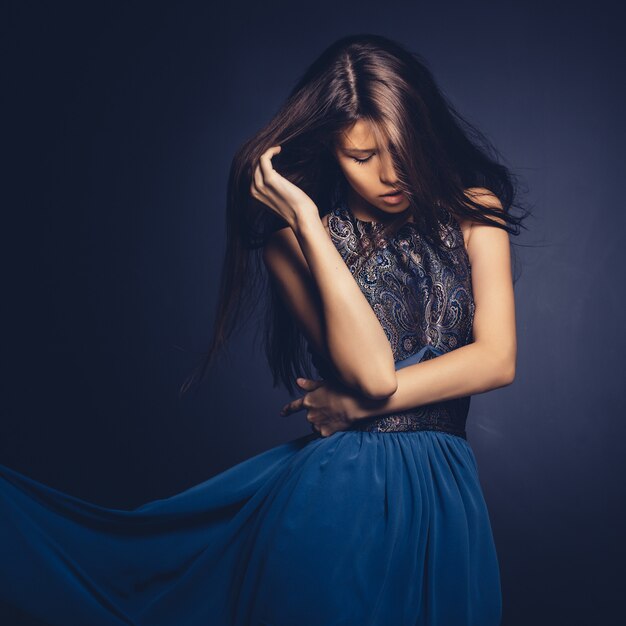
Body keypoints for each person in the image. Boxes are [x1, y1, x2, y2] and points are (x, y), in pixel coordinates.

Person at [0, 34, 526, 625]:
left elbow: (497, 360)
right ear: (330, 149)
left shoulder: (475, 209)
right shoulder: (292, 243)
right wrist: (305, 219)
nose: (389, 173)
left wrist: (352, 408)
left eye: (403, 149)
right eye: (361, 157)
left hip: (448, 499)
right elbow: (374, 374)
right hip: (337, 503)